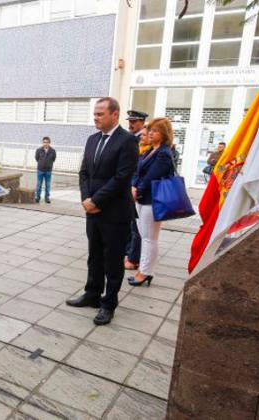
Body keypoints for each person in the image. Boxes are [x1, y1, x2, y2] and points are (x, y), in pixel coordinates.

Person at [66, 97, 138, 326]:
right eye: (95, 114)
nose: (95, 117)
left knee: (113, 260)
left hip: (115, 212)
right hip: (92, 210)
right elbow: (84, 173)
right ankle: (92, 294)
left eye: (100, 114)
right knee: (94, 255)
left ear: (114, 115)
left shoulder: (127, 141)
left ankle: (109, 304)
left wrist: (96, 200)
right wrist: (86, 199)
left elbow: (122, 177)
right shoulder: (92, 139)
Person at [128, 117, 175, 287]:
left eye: (155, 131)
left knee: (149, 238)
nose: (150, 133)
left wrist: (137, 189)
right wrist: (134, 186)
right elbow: (138, 172)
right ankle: (144, 269)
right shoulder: (150, 151)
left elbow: (151, 177)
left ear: (164, 134)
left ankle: (146, 272)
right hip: (142, 198)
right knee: (145, 236)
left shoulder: (164, 153)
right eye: (150, 130)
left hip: (152, 200)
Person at [124, 110, 149, 271]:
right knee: (129, 224)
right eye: (130, 121)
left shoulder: (145, 141)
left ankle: (134, 258)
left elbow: (140, 169)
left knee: (136, 227)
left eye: (133, 121)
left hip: (137, 190)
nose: (130, 124)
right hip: (129, 186)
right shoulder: (132, 138)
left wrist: (134, 186)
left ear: (141, 122)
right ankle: (129, 252)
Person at [34, 136, 56, 203]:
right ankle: (37, 197)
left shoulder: (53, 151)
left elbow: (53, 159)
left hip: (48, 171)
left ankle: (47, 198)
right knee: (39, 184)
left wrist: (49, 165)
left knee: (47, 185)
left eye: (46, 142)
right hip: (40, 170)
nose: (45, 143)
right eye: (44, 142)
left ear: (49, 143)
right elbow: (37, 158)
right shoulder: (39, 150)